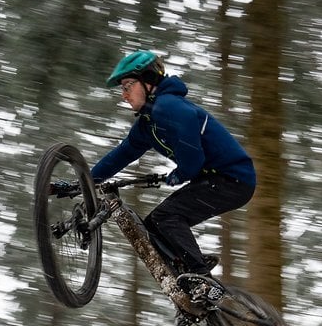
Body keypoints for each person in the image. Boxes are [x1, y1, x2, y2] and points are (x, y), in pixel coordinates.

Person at [91, 50, 256, 311]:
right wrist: (85, 181)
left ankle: (203, 279)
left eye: (127, 86)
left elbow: (192, 157)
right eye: (122, 89)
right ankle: (193, 287)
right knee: (154, 225)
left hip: (232, 177)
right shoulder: (147, 123)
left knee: (166, 218)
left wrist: (181, 173)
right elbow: (121, 155)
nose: (123, 94)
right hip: (217, 179)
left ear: (148, 80)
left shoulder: (168, 106)